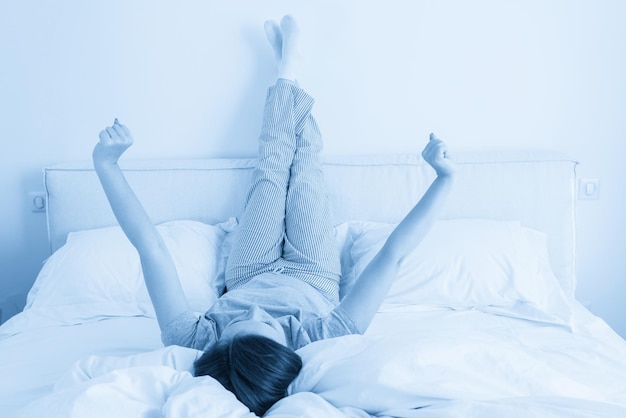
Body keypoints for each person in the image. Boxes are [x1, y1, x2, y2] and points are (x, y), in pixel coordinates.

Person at [93, 15, 455, 416]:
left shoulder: (194, 338)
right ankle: (291, 72)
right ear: (286, 351)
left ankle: (288, 69)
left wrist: (107, 165)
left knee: (270, 170)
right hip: (314, 276)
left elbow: (151, 248)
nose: (255, 309)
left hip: (247, 270)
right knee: (305, 167)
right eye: (267, 323)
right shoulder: (324, 335)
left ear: (218, 345)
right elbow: (393, 256)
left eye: (240, 320)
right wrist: (444, 179)